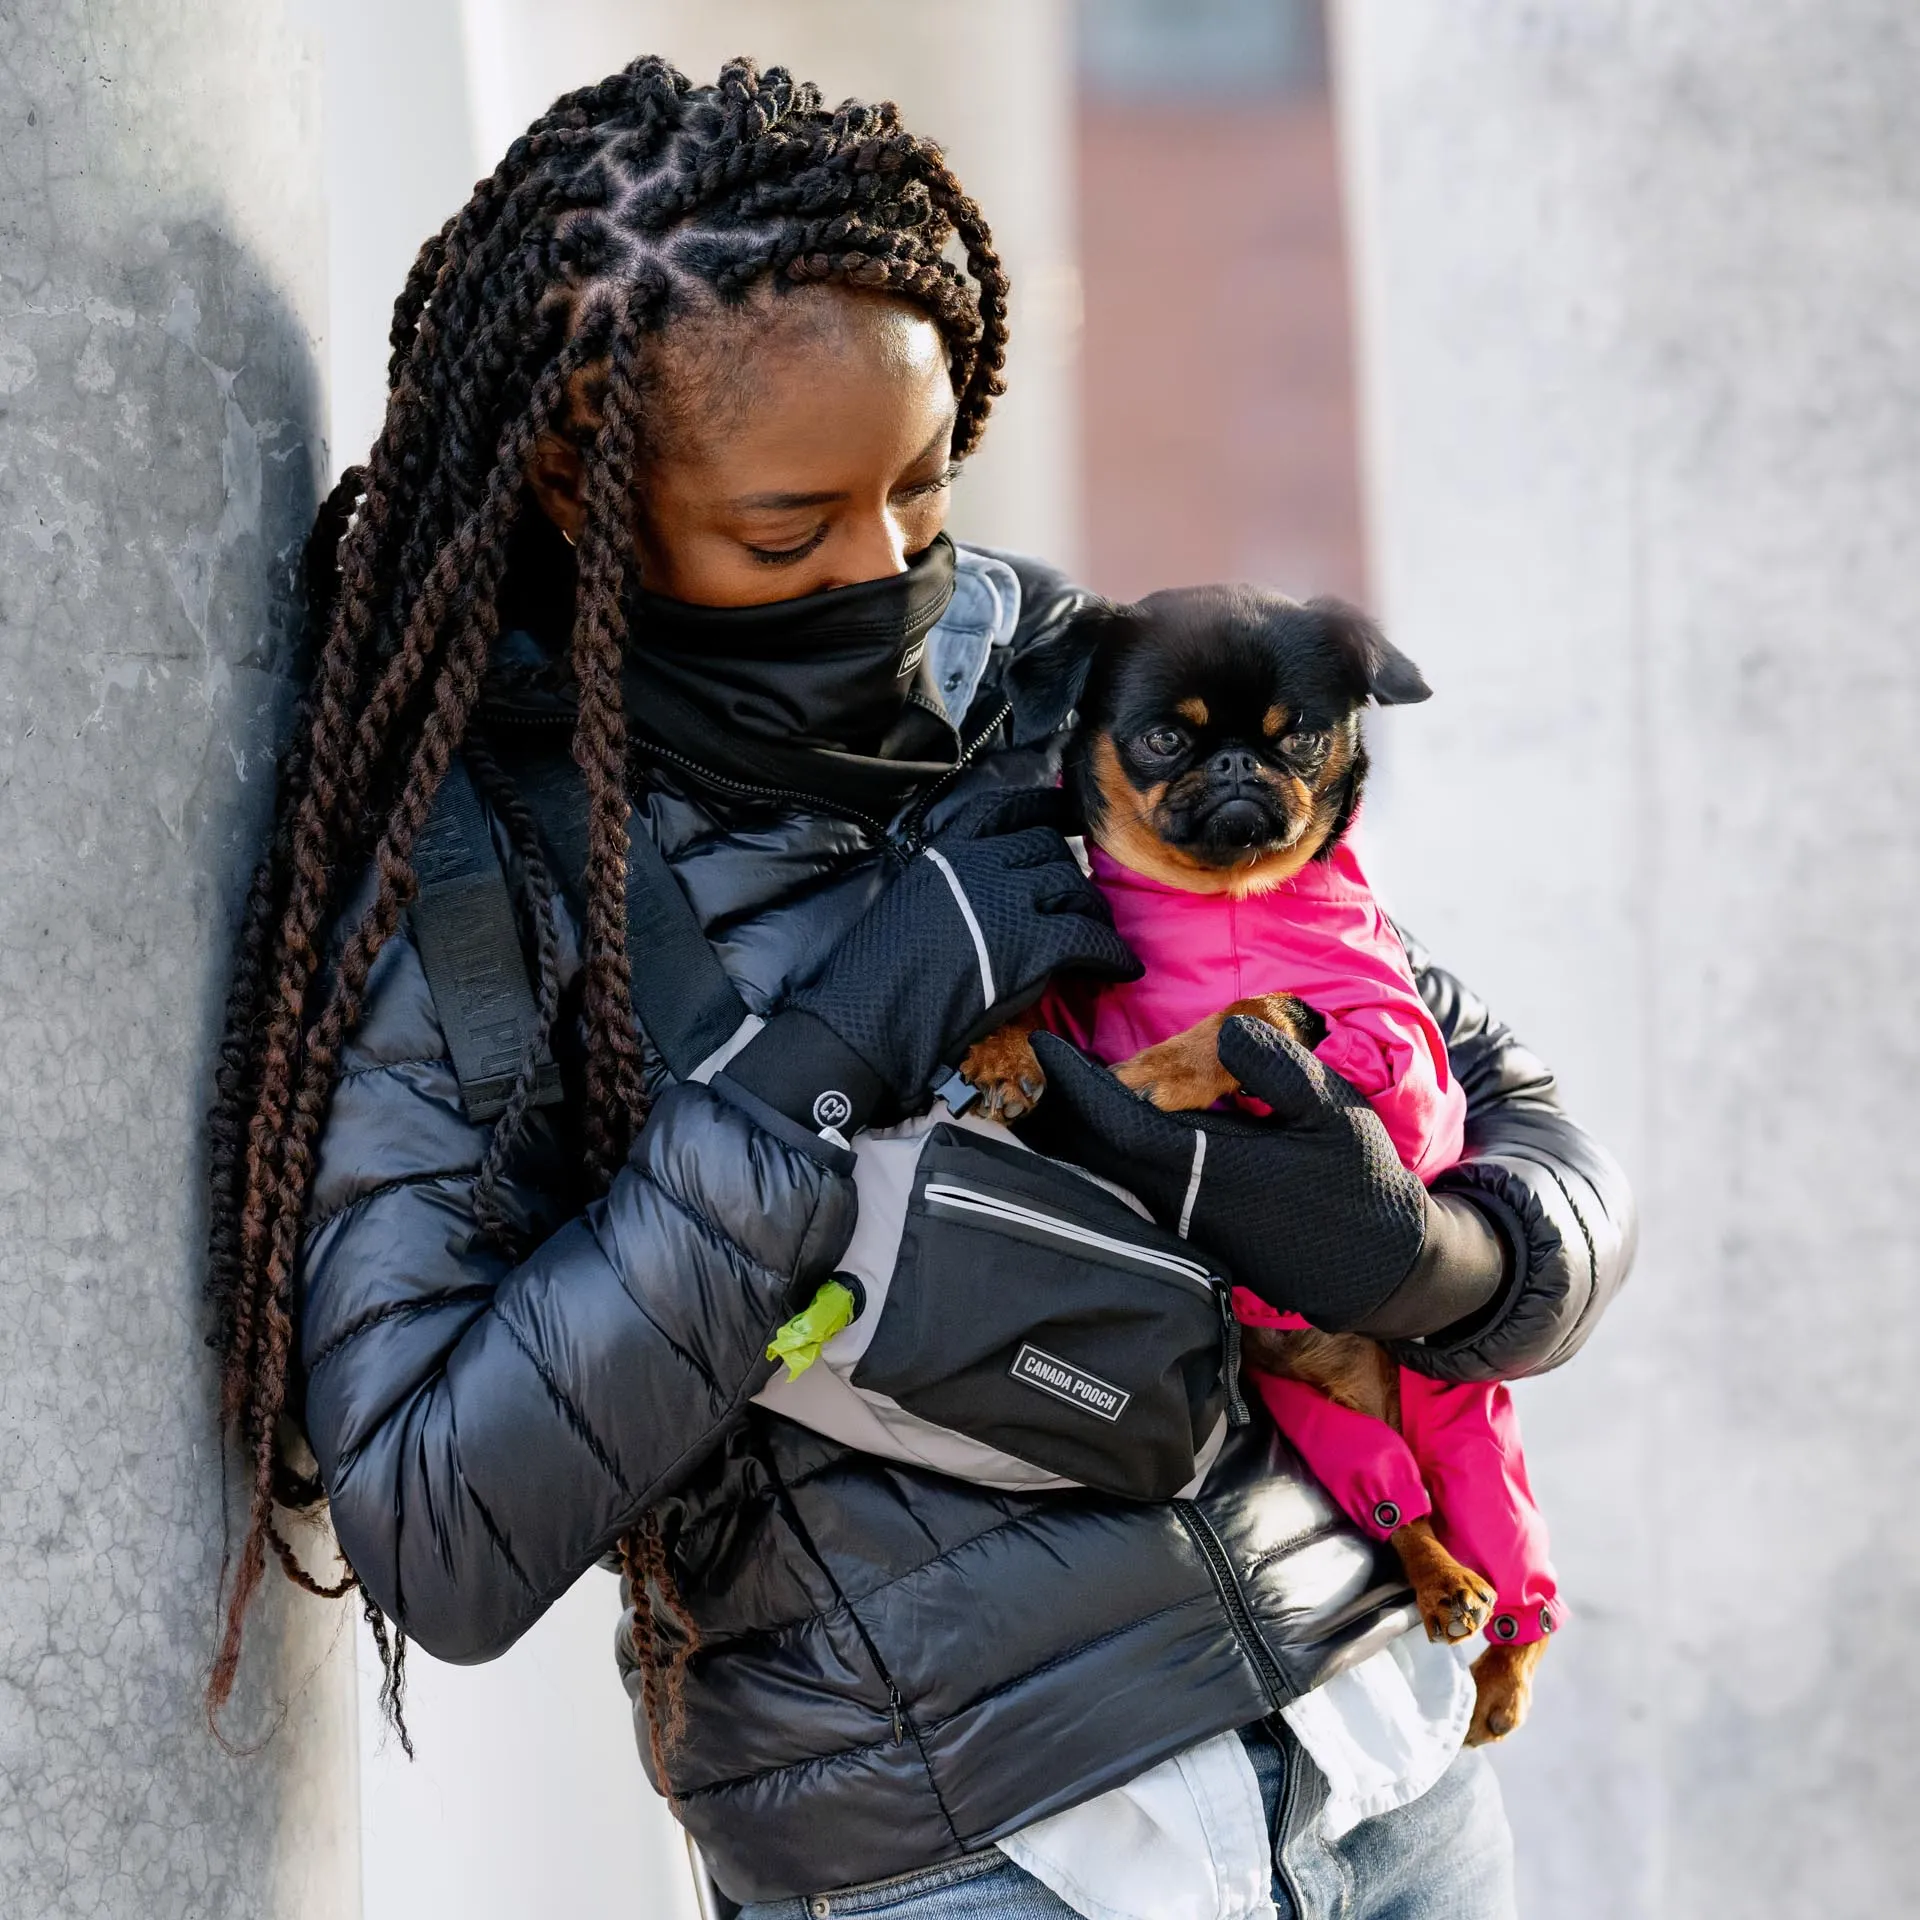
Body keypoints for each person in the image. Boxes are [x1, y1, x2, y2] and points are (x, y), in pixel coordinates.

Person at [205, 58, 1634, 1919]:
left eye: (925, 490)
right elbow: (441, 1524)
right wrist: (828, 1056)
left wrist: (1452, 1263)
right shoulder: (477, 876)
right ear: (582, 477)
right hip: (967, 1862)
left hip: (1384, 1764)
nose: (889, 574)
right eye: (793, 533)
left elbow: (1475, 1068)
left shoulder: (1054, 669)